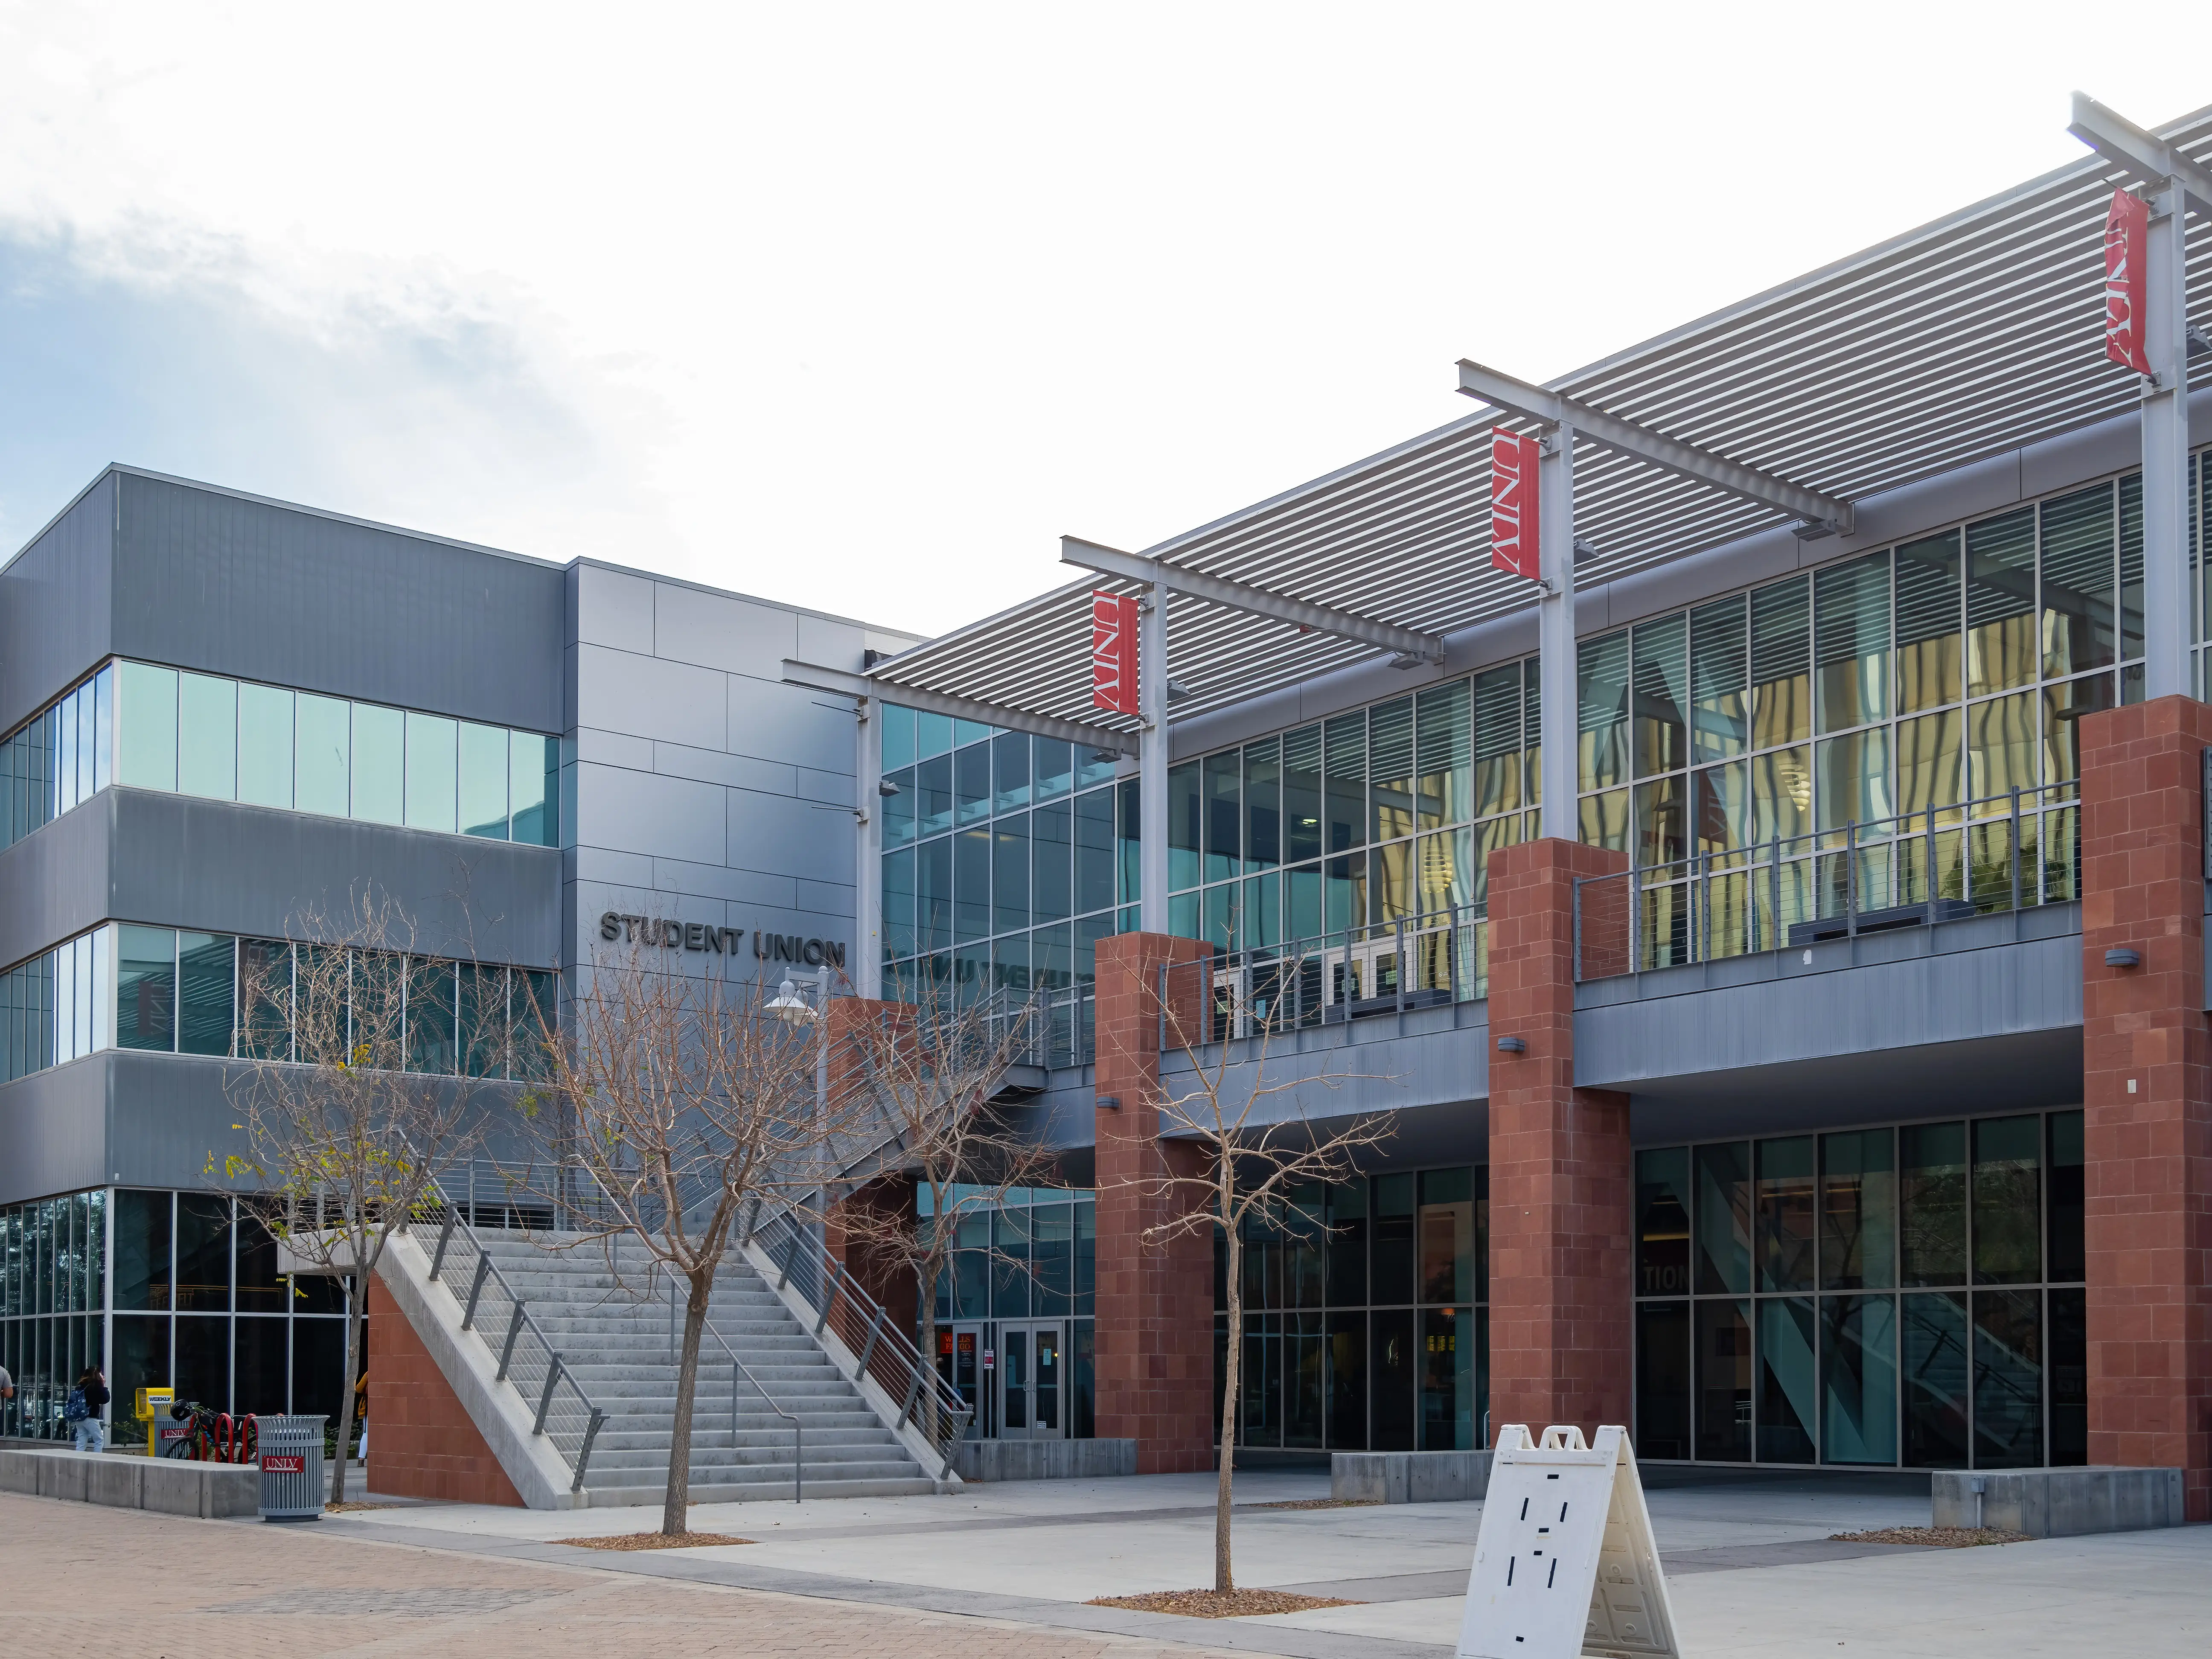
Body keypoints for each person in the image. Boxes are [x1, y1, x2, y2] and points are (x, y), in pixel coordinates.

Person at [67, 1365, 109, 1454]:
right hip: (90, 1417)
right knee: (99, 1439)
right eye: (100, 1373)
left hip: (79, 1417)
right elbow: (105, 1399)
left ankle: (79, 1459)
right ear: (97, 1374)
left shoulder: (81, 1385)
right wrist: (103, 1386)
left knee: (82, 1438)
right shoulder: (95, 1386)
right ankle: (97, 1460)